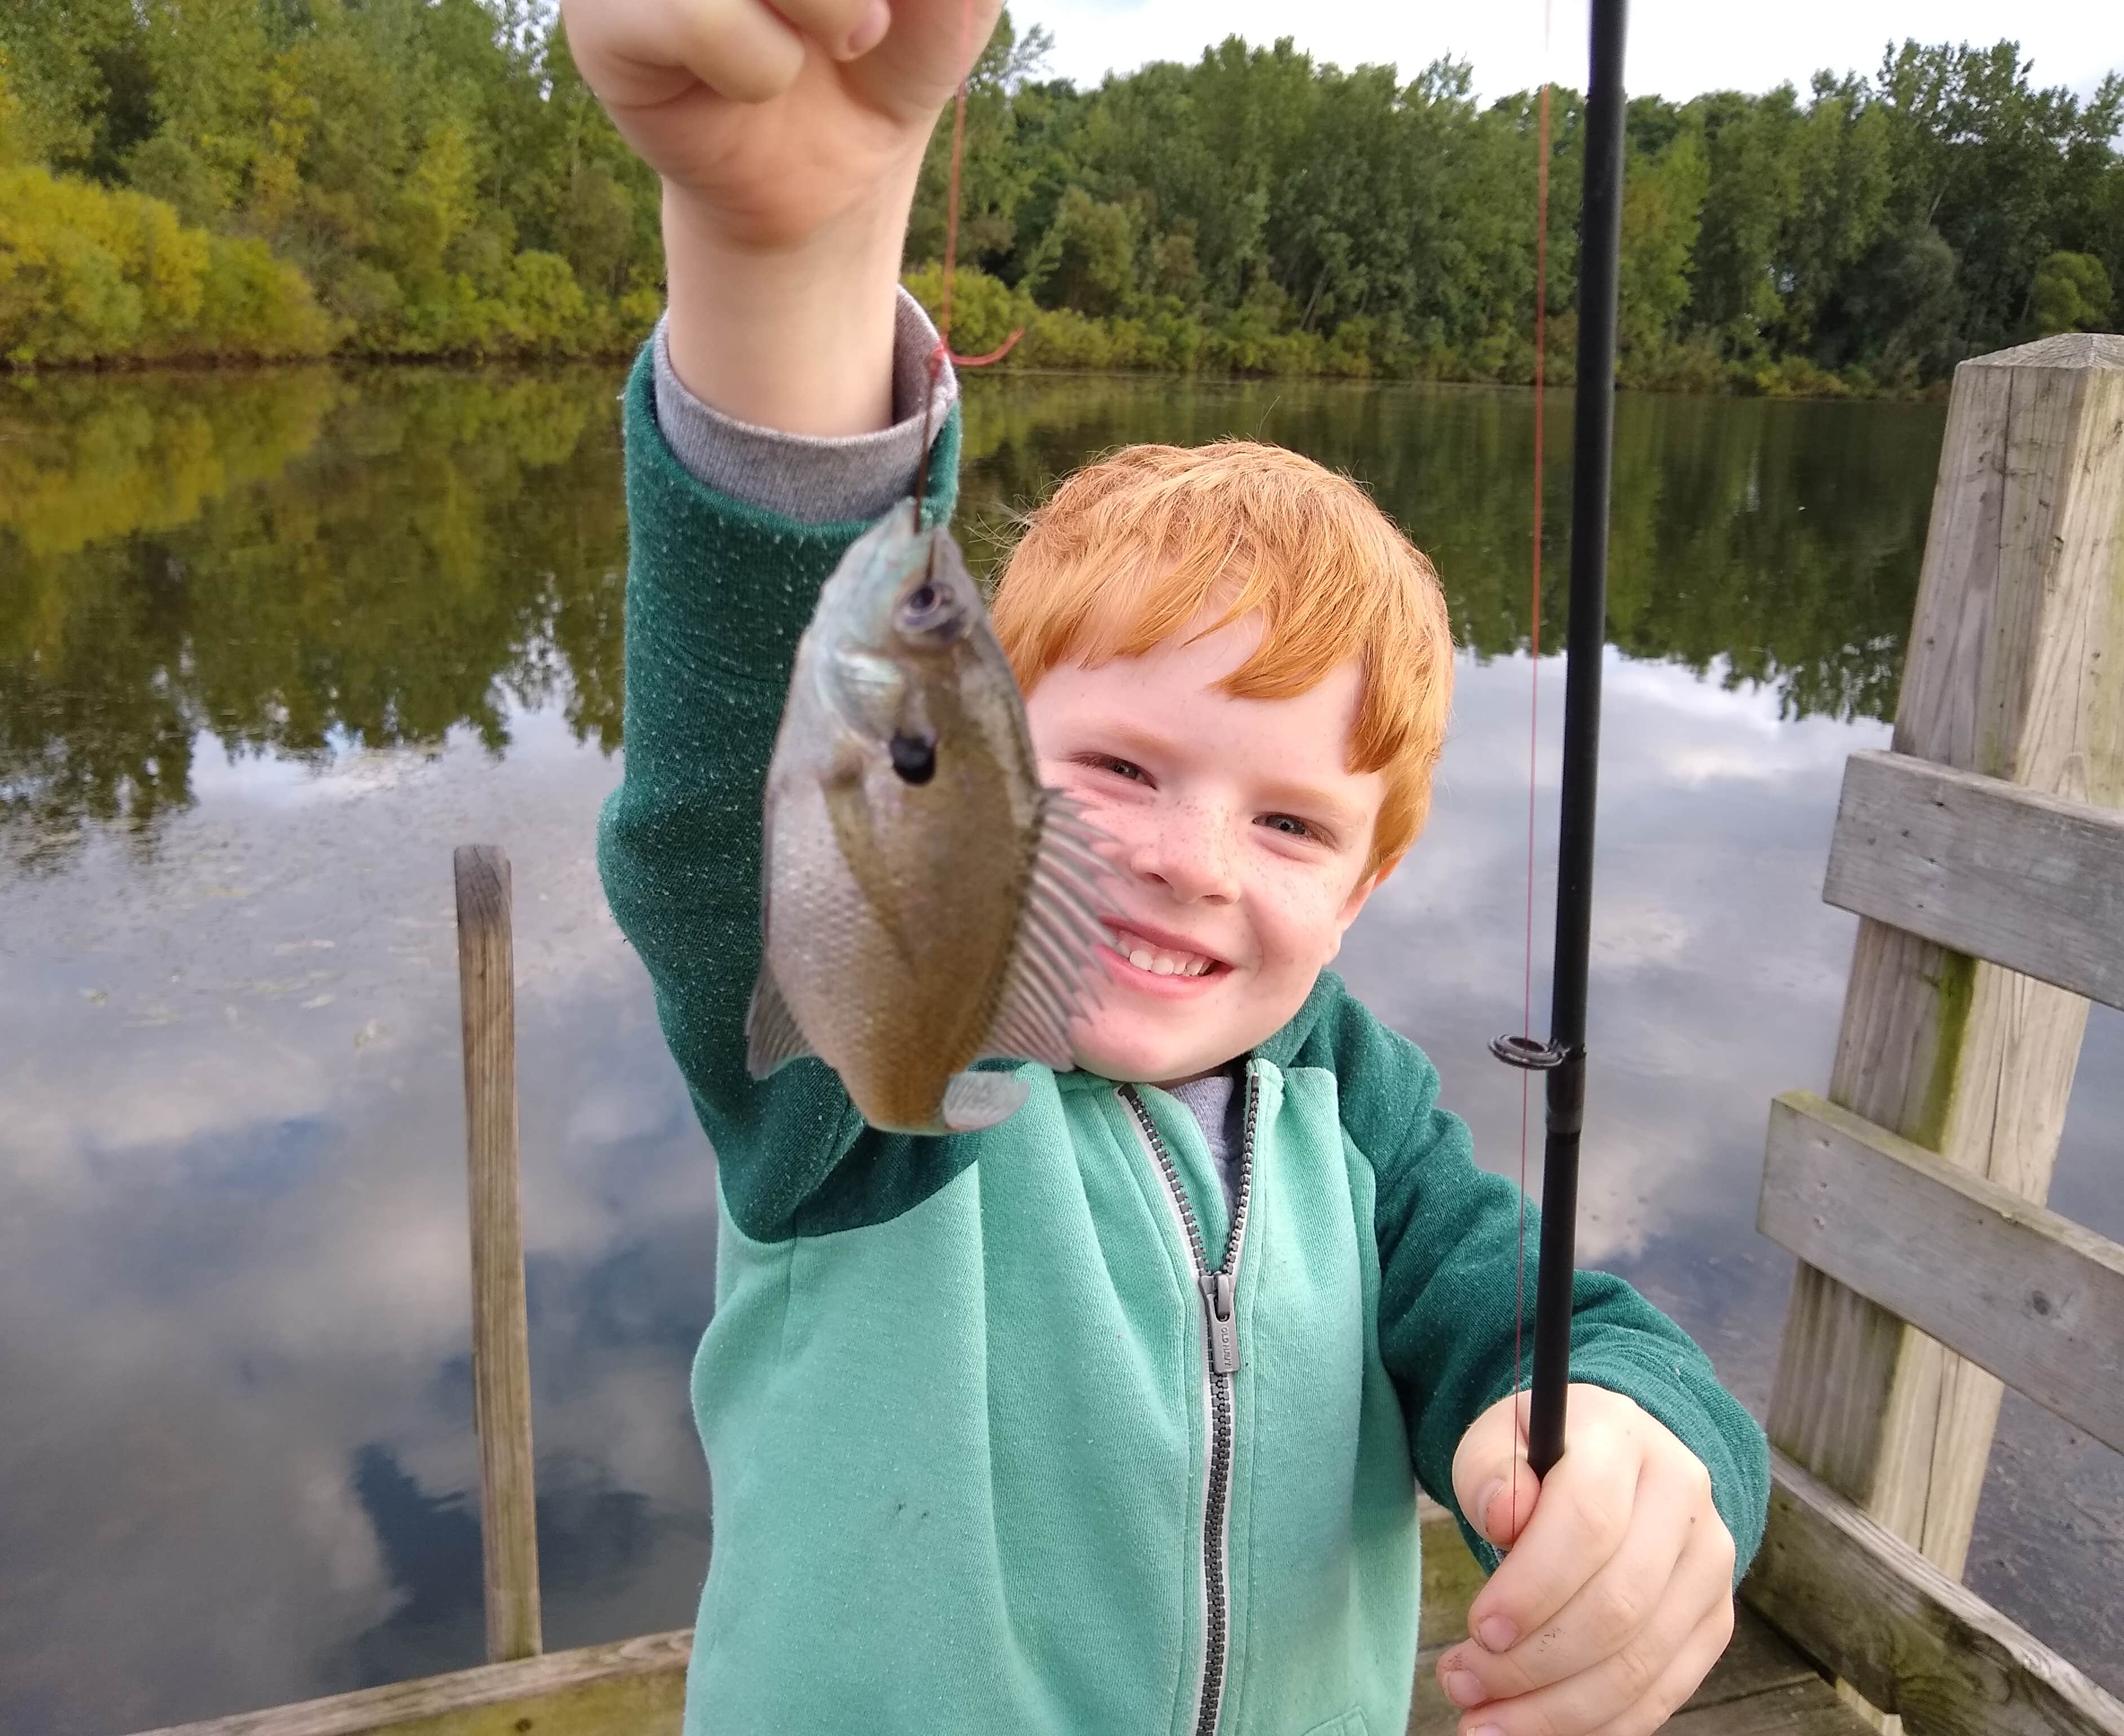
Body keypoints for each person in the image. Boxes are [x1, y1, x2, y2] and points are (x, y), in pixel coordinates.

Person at [568, 2, 1770, 1732]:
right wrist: (790, 254)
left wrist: (1653, 1455)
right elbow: (737, 793)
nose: (1194, 864)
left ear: (1361, 894)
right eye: (1119, 768)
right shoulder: (873, 1073)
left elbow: (1543, 1323)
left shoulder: (1363, 1111)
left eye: (1291, 824)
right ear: (968, 783)